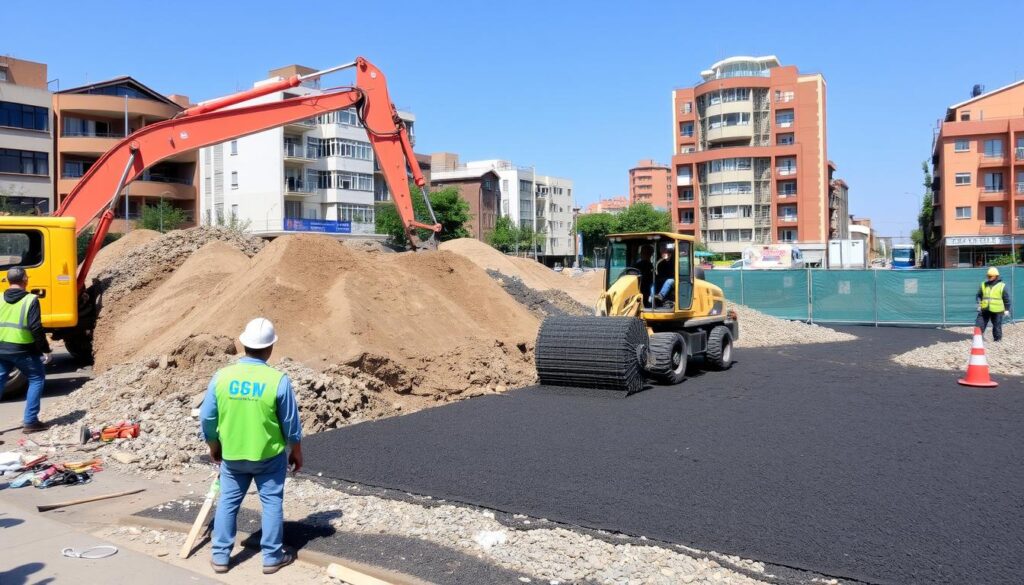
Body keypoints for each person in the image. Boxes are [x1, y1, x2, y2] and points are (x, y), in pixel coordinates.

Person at [200, 318, 303, 574]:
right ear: (270, 348)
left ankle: (221, 556)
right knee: (271, 503)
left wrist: (214, 445)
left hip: (233, 455)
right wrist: (296, 451)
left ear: (244, 344)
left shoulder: (222, 377)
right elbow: (290, 423)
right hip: (268, 456)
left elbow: (207, 417)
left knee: (228, 502)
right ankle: (271, 557)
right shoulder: (278, 380)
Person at [0, 267, 52, 433]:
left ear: (9, 281)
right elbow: (35, 328)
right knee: (36, 378)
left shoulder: (0, 298)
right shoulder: (31, 300)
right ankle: (30, 422)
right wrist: (45, 349)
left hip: (1, 349)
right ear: (25, 280)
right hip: (24, 350)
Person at [976, 267, 1011, 342]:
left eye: (990, 276)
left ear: (996, 276)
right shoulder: (983, 285)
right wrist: (979, 304)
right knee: (979, 323)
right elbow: (979, 295)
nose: (989, 277)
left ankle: (997, 340)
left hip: (997, 310)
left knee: (997, 326)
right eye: (988, 276)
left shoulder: (1002, 286)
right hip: (985, 309)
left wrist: (1007, 309)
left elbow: (1006, 299)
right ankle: (977, 338)